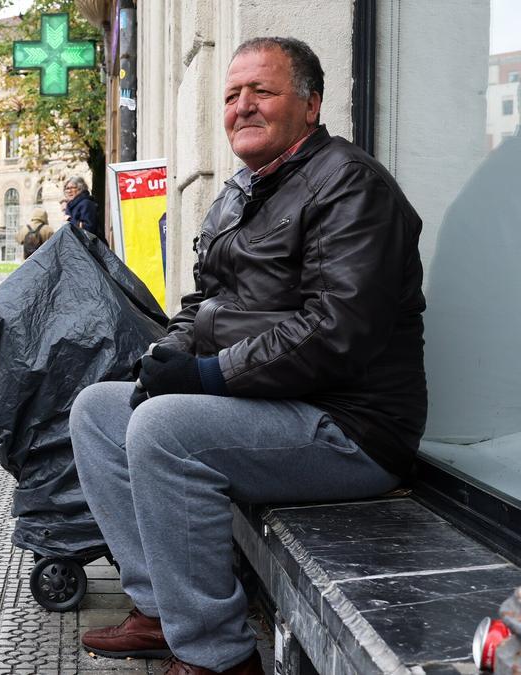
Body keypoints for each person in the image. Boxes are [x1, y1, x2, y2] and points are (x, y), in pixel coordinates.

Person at [69, 37, 426, 675]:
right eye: (232, 95)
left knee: (163, 429)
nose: (242, 107)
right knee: (99, 410)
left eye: (261, 91)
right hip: (274, 404)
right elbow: (204, 305)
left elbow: (338, 328)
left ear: (311, 105)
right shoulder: (242, 193)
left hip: (350, 426)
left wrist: (208, 376)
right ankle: (161, 611)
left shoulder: (350, 185)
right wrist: (164, 358)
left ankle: (218, 655)